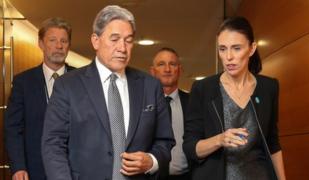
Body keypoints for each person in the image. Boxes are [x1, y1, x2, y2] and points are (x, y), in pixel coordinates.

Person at [41, 5, 175, 180]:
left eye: (128, 40)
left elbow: (164, 141)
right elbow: (53, 145)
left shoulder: (150, 86)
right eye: (114, 39)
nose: (122, 48)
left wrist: (152, 160)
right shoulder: (67, 86)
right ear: (96, 40)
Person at [183, 16, 286, 180]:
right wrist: (220, 139)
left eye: (236, 48)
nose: (228, 57)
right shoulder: (203, 89)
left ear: (251, 49)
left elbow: (273, 143)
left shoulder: (269, 88)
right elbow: (189, 147)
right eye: (222, 49)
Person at [4, 17, 74, 180]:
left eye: (64, 41)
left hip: (74, 171)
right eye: (52, 40)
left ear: (69, 46)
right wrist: (18, 167)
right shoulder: (23, 82)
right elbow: (13, 129)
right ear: (41, 44)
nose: (59, 46)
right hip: (33, 170)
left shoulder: (83, 80)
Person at [150, 47, 190, 180]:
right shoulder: (141, 103)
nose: (167, 69)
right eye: (161, 64)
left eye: (172, 64)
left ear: (179, 70)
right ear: (152, 71)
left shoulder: (193, 103)